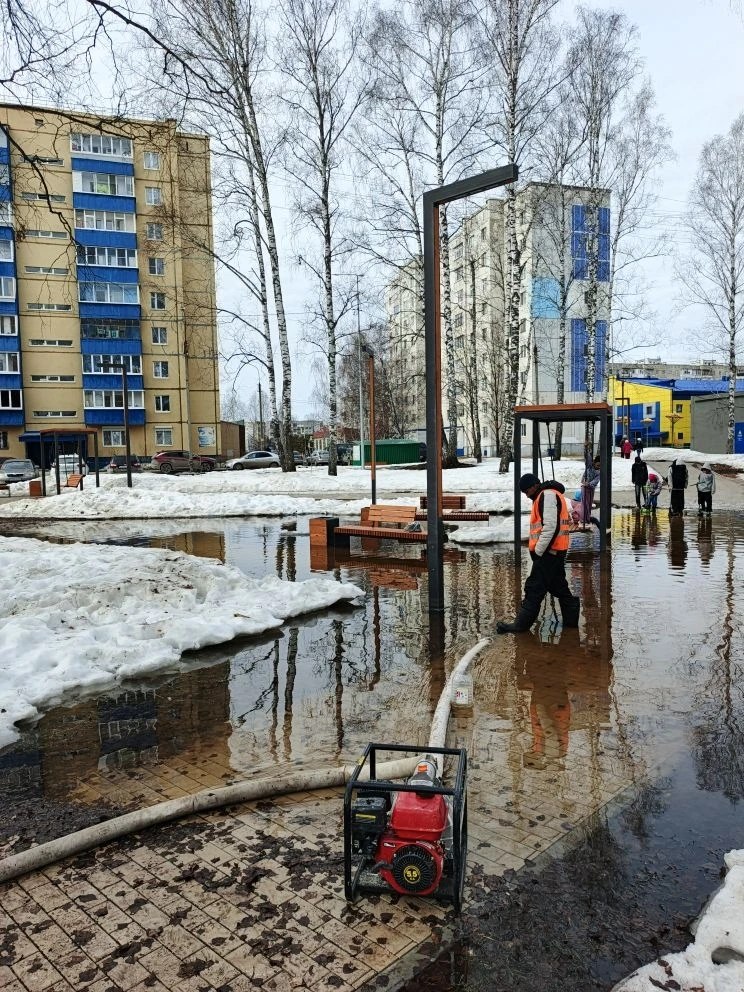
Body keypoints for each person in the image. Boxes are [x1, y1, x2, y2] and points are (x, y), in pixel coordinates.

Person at [496, 473, 580, 634]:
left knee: (534, 588)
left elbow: (550, 527)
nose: (527, 496)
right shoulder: (548, 495)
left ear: (533, 486)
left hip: (549, 552)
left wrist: (538, 552)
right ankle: (571, 625)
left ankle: (520, 626)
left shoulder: (546, 495)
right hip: (555, 551)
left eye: (526, 491)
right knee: (559, 587)